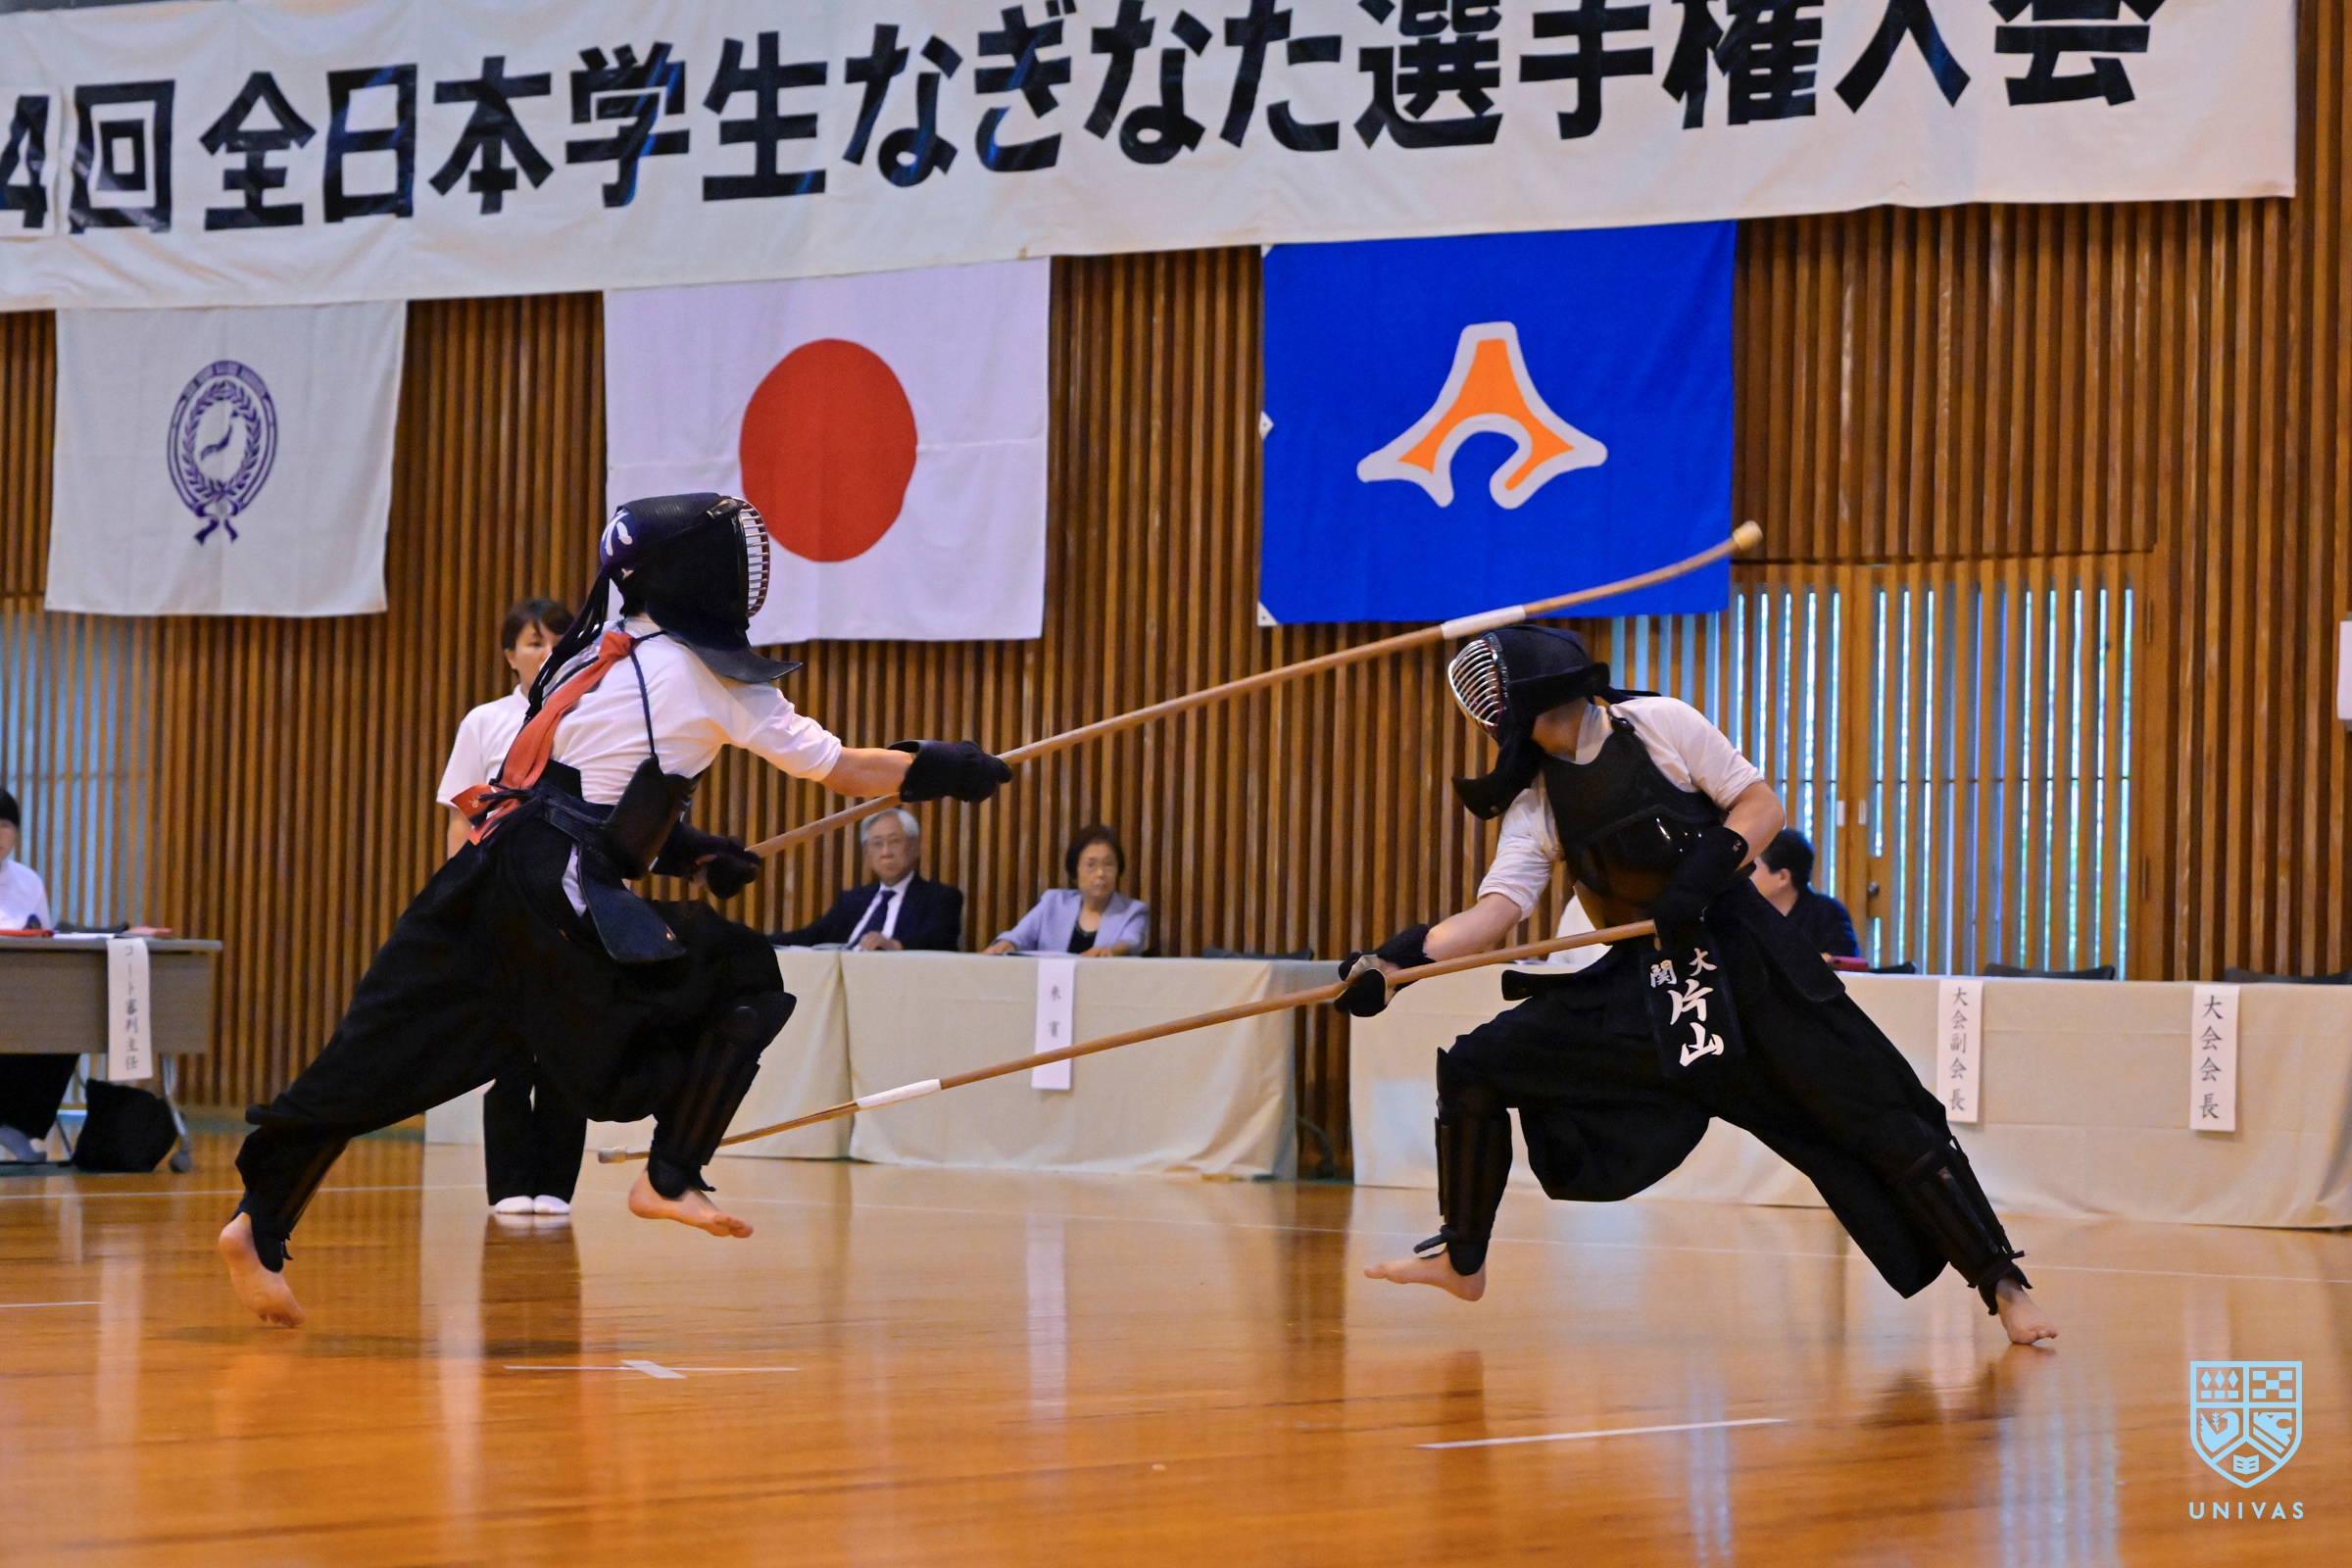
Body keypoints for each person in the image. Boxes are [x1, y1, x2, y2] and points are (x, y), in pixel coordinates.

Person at [217, 493, 1012, 1327]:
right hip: (551, 894)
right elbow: (840, 768)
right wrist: (947, 769)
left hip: (487, 876)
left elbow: (583, 793)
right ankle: (670, 1174)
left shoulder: (597, 648)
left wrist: (690, 852)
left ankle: (257, 1223)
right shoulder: (706, 673)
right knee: (743, 970)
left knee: (373, 1054)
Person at [1341, 626, 2056, 1348]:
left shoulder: (1660, 723)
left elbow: (1760, 806)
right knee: (1476, 1064)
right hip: (1646, 987)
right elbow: (1496, 912)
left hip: (1752, 967)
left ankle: (2004, 1284)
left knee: (1883, 1112)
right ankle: (1462, 1255)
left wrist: (1700, 877)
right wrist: (1396, 965)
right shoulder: (1539, 802)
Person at [435, 597, 588, 1219]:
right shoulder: (485, 722)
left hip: (573, 903)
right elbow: (461, 819)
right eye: (533, 641)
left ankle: (556, 1185)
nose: (546, 651)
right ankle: (508, 1185)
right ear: (509, 655)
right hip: (499, 899)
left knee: (566, 1045)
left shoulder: (594, 717)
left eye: (558, 639)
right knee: (506, 1046)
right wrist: (459, 898)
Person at [769, 808, 963, 951]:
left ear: (914, 847)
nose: (886, 852)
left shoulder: (940, 898)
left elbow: (941, 940)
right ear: (866, 853)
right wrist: (760, 942)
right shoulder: (853, 899)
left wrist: (894, 945)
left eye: (894, 841)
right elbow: (811, 936)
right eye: (877, 844)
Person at [0, 786, 74, 1164]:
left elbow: (43, 937)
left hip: (22, 990)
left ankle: (21, 1125)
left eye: (5, 826)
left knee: (69, 1027)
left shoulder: (28, 881)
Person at [983, 825, 1148, 957]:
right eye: (1091, 864)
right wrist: (1007, 944)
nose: (1100, 873)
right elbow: (1019, 936)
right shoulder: (1053, 902)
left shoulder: (1133, 911)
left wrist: (1111, 951)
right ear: (1075, 870)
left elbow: (1130, 944)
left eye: (1108, 864)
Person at [1749, 828, 1861, 959]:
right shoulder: (1746, 913)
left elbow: (1842, 961)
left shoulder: (1826, 912)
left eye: (1753, 869)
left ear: (1783, 877)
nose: (1745, 875)